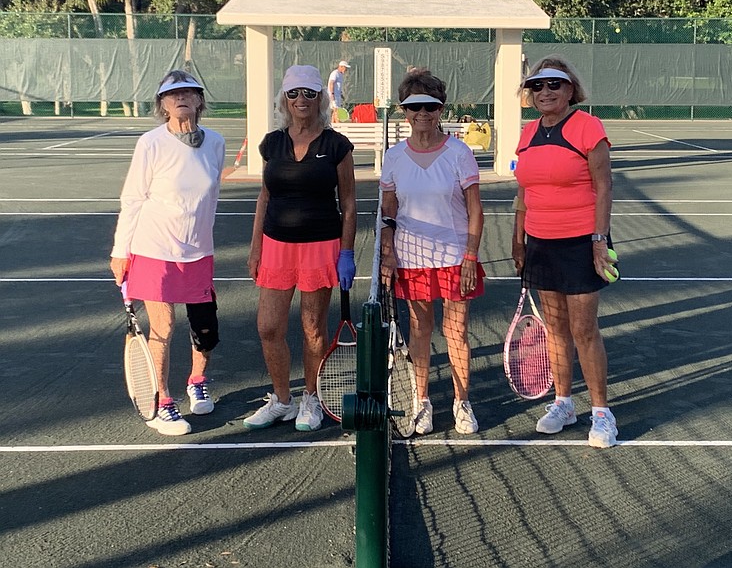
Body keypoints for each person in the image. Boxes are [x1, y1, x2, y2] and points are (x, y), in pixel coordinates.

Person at [110, 70, 226, 436]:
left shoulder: (217, 143)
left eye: (189, 92)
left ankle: (197, 380)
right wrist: (120, 251)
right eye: (172, 94)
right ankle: (163, 401)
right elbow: (133, 198)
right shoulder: (151, 143)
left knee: (205, 329)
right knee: (163, 325)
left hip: (198, 253)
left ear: (199, 100)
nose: (181, 98)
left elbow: (211, 196)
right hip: (154, 247)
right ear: (162, 104)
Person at [511, 55, 619, 448]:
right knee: (555, 329)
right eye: (536, 86)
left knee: (584, 330)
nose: (544, 92)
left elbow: (604, 186)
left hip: (580, 242)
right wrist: (517, 238)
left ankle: (602, 413)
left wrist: (599, 240)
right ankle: (563, 403)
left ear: (570, 89)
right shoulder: (527, 133)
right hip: (539, 242)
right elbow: (524, 190)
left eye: (554, 84)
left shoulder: (588, 127)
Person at [244, 64, 356, 432]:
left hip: (320, 246)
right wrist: (256, 246)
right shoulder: (271, 143)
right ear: (284, 99)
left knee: (313, 329)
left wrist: (347, 251)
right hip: (276, 247)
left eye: (309, 93)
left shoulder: (336, 145)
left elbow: (350, 203)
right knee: (268, 328)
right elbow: (265, 195)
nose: (301, 100)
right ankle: (281, 399)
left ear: (320, 98)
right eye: (294, 93)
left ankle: (311, 397)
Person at [379, 68, 485, 435]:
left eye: (431, 106)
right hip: (412, 259)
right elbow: (388, 209)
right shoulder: (393, 157)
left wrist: (470, 255)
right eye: (414, 107)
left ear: (441, 109)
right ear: (403, 110)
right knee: (419, 331)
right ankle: (421, 402)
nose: (422, 114)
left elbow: (475, 209)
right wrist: (388, 253)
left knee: (456, 331)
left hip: (456, 258)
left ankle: (462, 402)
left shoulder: (459, 152)